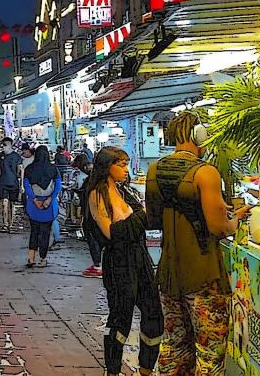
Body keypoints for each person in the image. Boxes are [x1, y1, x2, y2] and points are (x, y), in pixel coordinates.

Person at [146, 111, 252, 375]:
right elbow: (218, 228)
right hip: (203, 276)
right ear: (199, 135)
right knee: (209, 351)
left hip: (169, 276)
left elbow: (154, 221)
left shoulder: (154, 171)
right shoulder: (205, 172)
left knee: (173, 347)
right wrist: (235, 221)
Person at [87, 147, 163, 376]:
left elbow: (143, 222)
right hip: (118, 262)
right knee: (121, 318)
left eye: (126, 164)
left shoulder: (125, 192)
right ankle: (113, 370)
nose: (125, 169)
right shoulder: (96, 195)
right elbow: (112, 233)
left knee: (153, 312)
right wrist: (142, 216)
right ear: (107, 166)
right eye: (120, 165)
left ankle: (146, 368)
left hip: (140, 258)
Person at [23, 145, 62, 267]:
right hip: (49, 205)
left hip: (33, 206)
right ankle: (42, 259)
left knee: (34, 231)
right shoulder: (53, 169)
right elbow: (58, 186)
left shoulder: (29, 169)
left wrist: (34, 200)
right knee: (45, 232)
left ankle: (31, 258)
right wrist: (50, 198)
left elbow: (26, 186)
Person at [73, 153, 101, 278]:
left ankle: (98, 266)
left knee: (93, 237)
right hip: (94, 213)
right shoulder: (94, 177)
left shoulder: (93, 178)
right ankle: (98, 264)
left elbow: (87, 195)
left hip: (92, 214)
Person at [0, 138, 23, 231]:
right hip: (3, 183)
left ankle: (11, 223)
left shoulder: (17, 157)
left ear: (10, 145)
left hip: (13, 183)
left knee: (12, 204)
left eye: (5, 144)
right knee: (4, 203)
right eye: (2, 145)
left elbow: (21, 170)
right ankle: (5, 223)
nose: (3, 146)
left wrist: (22, 185)